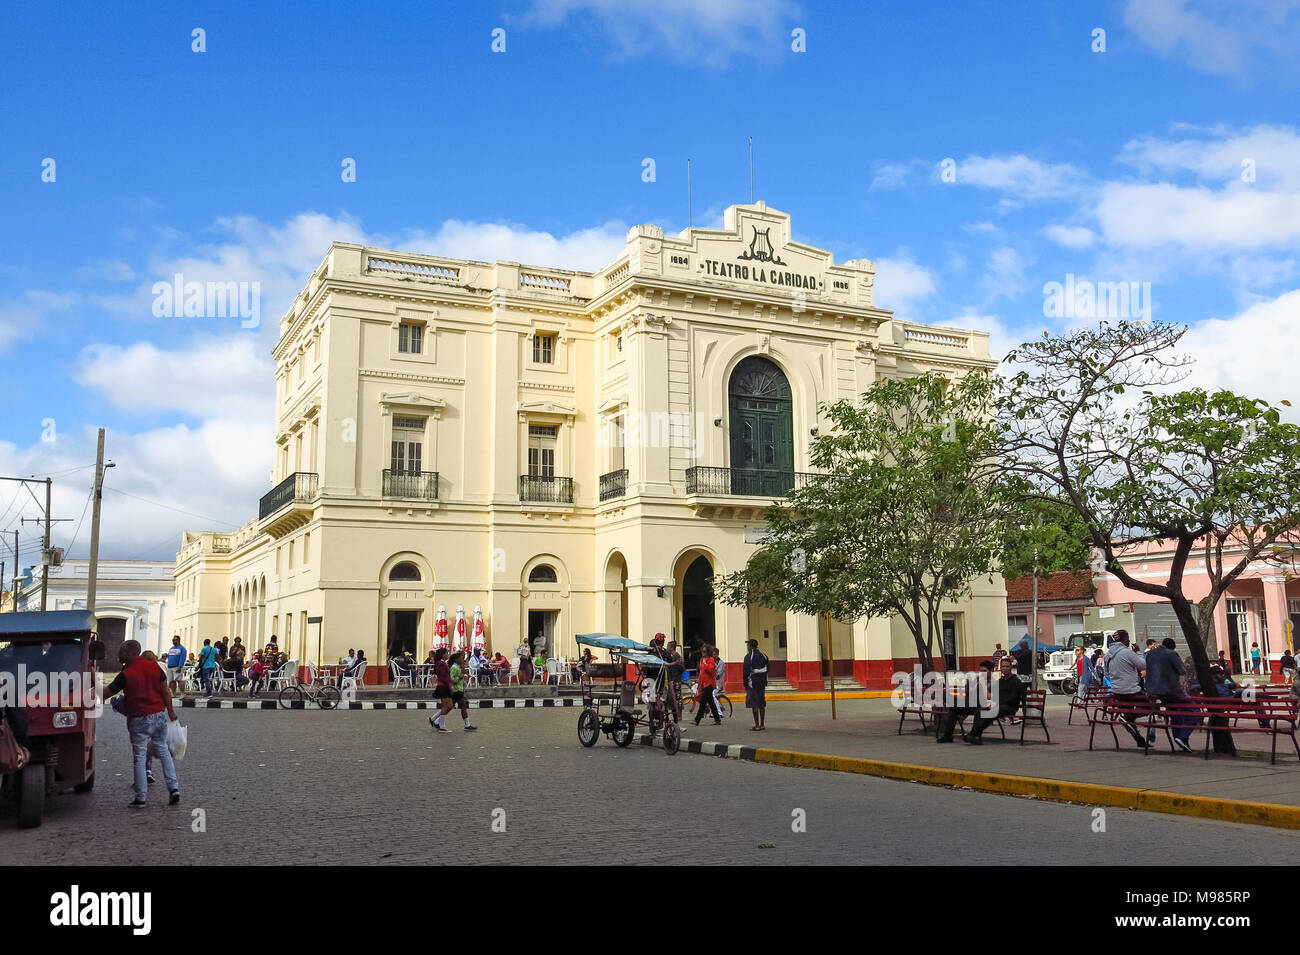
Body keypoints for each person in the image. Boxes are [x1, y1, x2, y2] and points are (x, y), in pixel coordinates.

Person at [103, 639, 180, 807]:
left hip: (138, 717)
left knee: (139, 756)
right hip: (158, 715)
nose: (118, 654)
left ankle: (141, 797)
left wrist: (88, 692)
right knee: (163, 751)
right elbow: (165, 690)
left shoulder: (126, 674)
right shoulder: (155, 667)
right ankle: (173, 788)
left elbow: (107, 693)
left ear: (129, 653)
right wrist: (171, 711)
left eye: (121, 651)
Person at [1145, 637, 1197, 752]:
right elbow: (1182, 670)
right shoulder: (1171, 654)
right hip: (1171, 691)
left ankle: (1179, 740)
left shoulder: (1150, 654)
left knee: (1175, 715)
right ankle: (1182, 736)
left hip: (1154, 691)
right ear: (1172, 647)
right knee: (1195, 712)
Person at [1105, 629, 1151, 749]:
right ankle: (1128, 717)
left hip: (1117, 691)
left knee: (1127, 713)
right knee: (1151, 707)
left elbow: (1106, 674)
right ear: (1124, 639)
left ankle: (1139, 739)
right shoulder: (1127, 653)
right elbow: (1143, 665)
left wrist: (1116, 681)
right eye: (1128, 638)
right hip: (1132, 690)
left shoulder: (1108, 656)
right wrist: (1138, 653)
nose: (1129, 641)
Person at [964, 658, 1026, 744]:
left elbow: (1013, 698)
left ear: (1011, 667)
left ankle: (973, 734)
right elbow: (993, 695)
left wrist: (996, 703)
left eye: (1007, 666)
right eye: (1003, 666)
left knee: (991, 712)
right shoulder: (1000, 681)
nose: (1004, 668)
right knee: (979, 711)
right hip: (998, 705)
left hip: (1009, 707)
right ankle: (976, 736)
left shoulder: (1016, 681)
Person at [936, 660, 1000, 742]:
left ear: (991, 671)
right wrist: (969, 685)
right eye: (980, 671)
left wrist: (983, 685)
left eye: (984, 671)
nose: (982, 673)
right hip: (970, 702)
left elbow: (990, 697)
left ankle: (972, 734)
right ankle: (948, 735)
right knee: (952, 706)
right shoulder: (977, 679)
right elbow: (969, 693)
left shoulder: (995, 682)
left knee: (955, 705)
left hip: (982, 705)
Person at [447, 651, 477, 732]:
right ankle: (467, 725)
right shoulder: (454, 668)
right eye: (461, 658)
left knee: (448, 707)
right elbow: (451, 679)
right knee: (463, 706)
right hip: (456, 690)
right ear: (456, 659)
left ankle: (435, 720)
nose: (462, 659)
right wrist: (460, 677)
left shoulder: (458, 667)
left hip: (459, 689)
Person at [743, 638, 768, 731]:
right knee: (762, 703)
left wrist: (745, 684)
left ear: (750, 646)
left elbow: (745, 672)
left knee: (754, 704)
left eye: (748, 645)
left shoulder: (748, 657)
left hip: (752, 684)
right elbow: (767, 668)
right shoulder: (764, 656)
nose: (747, 647)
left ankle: (757, 725)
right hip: (762, 683)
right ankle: (762, 724)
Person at [693, 644, 721, 727]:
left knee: (703, 702)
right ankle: (717, 719)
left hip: (709, 684)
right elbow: (701, 674)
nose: (703, 653)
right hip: (704, 683)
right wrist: (699, 685)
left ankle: (697, 720)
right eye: (702, 651)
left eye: (704, 652)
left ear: (708, 652)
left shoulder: (710, 660)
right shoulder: (702, 660)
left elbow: (711, 670)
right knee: (711, 702)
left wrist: (705, 664)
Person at [429, 648, 456, 732]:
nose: (448, 654)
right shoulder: (441, 664)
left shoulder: (441, 663)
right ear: (443, 654)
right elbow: (444, 677)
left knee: (450, 705)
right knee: (446, 706)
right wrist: (450, 686)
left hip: (444, 686)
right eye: (447, 653)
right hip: (443, 686)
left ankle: (434, 719)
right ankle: (442, 726)